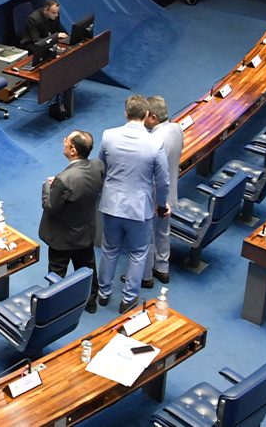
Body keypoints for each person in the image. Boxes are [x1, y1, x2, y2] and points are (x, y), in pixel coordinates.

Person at [96, 95, 170, 314]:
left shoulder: (108, 135)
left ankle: (103, 294)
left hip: (111, 205)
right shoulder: (155, 143)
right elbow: (163, 181)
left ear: (126, 113)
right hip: (140, 209)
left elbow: (101, 168)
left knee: (109, 250)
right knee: (138, 253)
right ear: (147, 115)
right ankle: (128, 299)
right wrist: (161, 205)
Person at [39, 130, 103, 314]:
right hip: (85, 232)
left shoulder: (64, 179)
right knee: (88, 268)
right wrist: (58, 187)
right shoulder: (98, 166)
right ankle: (91, 302)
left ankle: (54, 308)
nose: (64, 142)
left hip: (62, 237)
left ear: (73, 150)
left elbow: (50, 206)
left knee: (57, 272)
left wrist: (48, 187)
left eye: (66, 140)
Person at [143, 96, 182, 288]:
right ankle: (163, 268)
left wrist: (159, 201)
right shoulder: (177, 128)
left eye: (145, 115)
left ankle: (146, 276)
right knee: (163, 232)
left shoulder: (153, 140)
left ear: (154, 117)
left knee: (147, 235)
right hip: (170, 193)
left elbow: (152, 175)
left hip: (155, 196)